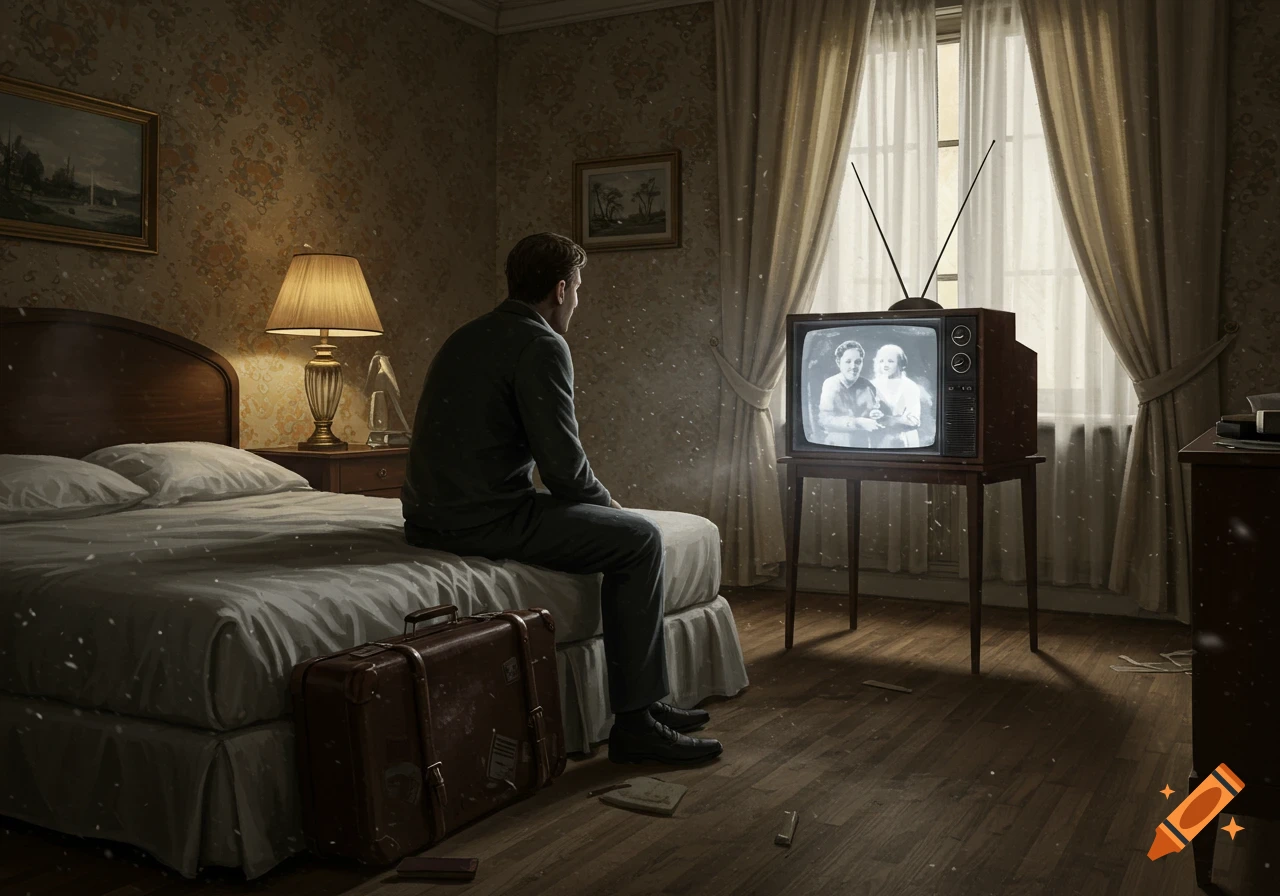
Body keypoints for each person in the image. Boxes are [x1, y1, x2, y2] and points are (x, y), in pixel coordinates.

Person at [401, 232, 722, 765]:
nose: (577, 299)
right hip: (483, 518)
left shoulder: (468, 334)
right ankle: (635, 725)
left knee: (627, 532)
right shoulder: (541, 343)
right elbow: (564, 470)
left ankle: (648, 703)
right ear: (559, 289)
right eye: (578, 287)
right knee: (639, 539)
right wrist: (611, 507)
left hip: (427, 516)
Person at [817, 340, 883, 447]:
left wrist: (879, 416)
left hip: (865, 445)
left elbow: (875, 414)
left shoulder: (868, 385)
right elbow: (824, 420)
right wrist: (857, 422)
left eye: (858, 362)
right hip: (837, 445)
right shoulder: (831, 384)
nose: (853, 366)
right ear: (838, 362)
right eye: (848, 361)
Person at [869, 344, 923, 448]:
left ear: (901, 363)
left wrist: (891, 420)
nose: (885, 365)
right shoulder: (872, 385)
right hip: (880, 439)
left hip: (905, 439)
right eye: (881, 361)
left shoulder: (910, 386)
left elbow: (914, 420)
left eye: (890, 361)